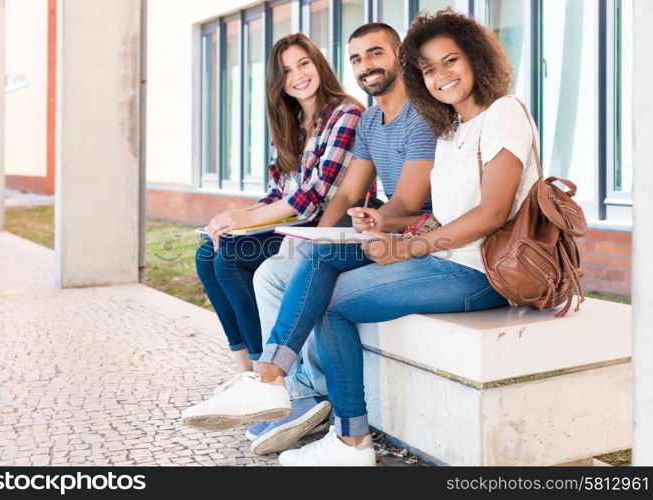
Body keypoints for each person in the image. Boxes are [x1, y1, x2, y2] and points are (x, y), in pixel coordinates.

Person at [184, 9, 542, 466]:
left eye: (451, 61)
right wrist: (379, 226)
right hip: (443, 256)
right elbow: (438, 214)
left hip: (482, 271)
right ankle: (276, 388)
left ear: (476, 59)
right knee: (320, 264)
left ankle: (336, 429)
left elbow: (491, 213)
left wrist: (406, 245)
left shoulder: (503, 112)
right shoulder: (451, 128)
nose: (441, 76)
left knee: (328, 298)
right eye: (429, 69)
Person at [183, 23, 437, 456]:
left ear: (400, 55)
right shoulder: (373, 118)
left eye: (375, 54)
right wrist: (318, 238)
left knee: (265, 267)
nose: (365, 65)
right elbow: (346, 192)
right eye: (357, 58)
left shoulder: (400, 114)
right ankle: (272, 386)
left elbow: (401, 202)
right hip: (358, 228)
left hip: (412, 237)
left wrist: (339, 231)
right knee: (243, 263)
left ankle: (285, 389)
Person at [194, 33, 364, 375]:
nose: (298, 76)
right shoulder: (290, 123)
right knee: (206, 253)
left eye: (304, 63)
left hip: (327, 228)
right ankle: (242, 368)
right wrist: (231, 219)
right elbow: (277, 193)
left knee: (230, 259)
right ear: (278, 81)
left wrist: (242, 217)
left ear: (318, 64)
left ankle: (263, 372)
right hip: (293, 223)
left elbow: (312, 197)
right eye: (286, 71)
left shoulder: (346, 113)